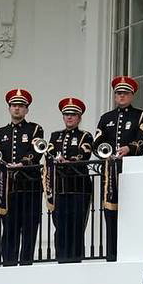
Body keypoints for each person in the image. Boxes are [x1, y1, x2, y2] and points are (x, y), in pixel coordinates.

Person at [93, 75, 143, 261]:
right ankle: (112, 253)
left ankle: (131, 252)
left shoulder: (141, 116)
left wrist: (129, 148)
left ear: (132, 95)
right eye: (118, 93)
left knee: (131, 212)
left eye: (125, 93)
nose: (121, 96)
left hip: (130, 170)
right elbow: (96, 142)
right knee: (110, 212)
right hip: (110, 172)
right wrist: (105, 152)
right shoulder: (106, 118)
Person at [0, 87, 44, 266]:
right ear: (9, 108)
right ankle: (9, 263)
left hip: (29, 185)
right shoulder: (0, 133)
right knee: (9, 227)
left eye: (21, 106)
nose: (17, 108)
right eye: (14, 105)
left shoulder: (35, 129)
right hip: (9, 187)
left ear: (26, 109)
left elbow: (36, 151)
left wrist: (22, 163)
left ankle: (26, 262)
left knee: (29, 226)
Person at [49, 96, 93, 263]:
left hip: (78, 187)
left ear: (79, 117)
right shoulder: (55, 136)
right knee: (60, 226)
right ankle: (61, 259)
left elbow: (85, 154)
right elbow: (50, 153)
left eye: (73, 114)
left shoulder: (85, 136)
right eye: (66, 114)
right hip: (59, 187)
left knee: (76, 226)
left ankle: (75, 259)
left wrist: (68, 161)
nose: (69, 117)